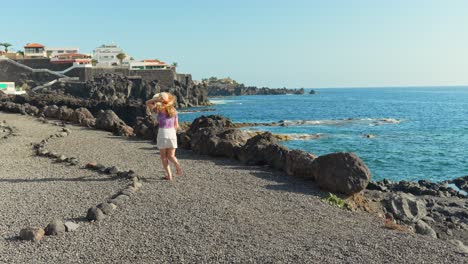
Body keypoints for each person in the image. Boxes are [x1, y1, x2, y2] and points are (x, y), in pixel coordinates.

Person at [145, 92, 182, 180]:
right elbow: (176, 125)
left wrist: (157, 99)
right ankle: (177, 165)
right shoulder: (174, 110)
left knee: (164, 157)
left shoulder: (159, 109)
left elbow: (147, 103)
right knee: (171, 156)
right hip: (172, 133)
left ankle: (169, 176)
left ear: (160, 100)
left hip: (163, 133)